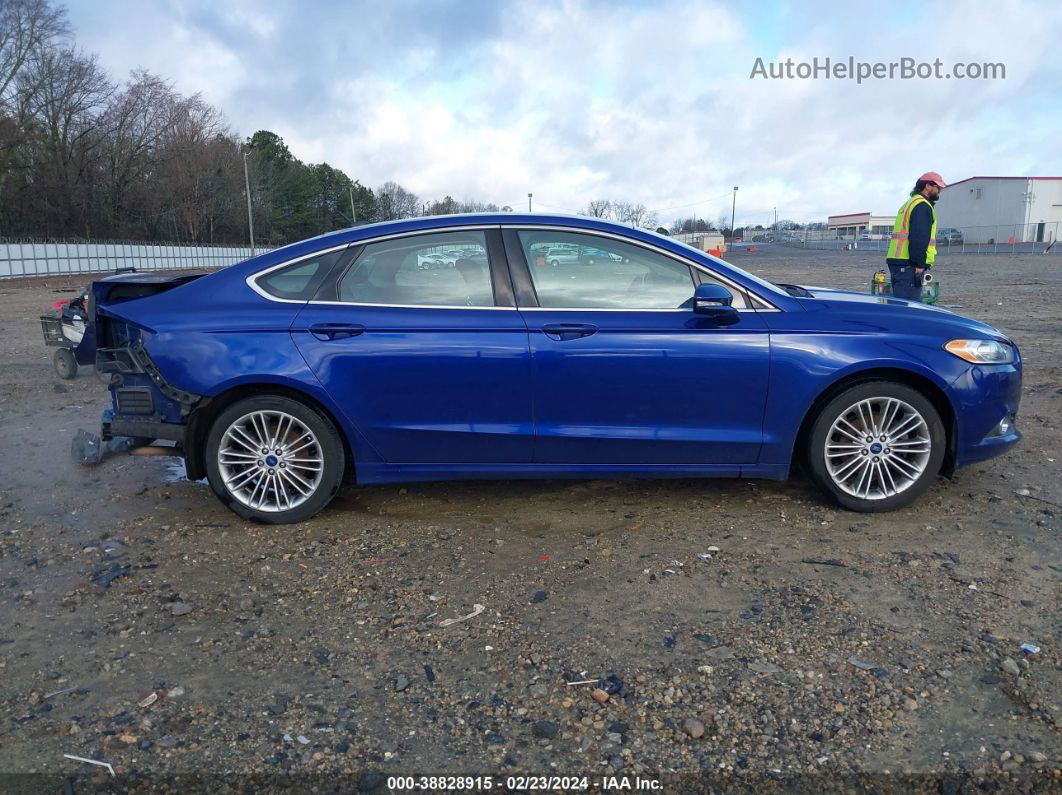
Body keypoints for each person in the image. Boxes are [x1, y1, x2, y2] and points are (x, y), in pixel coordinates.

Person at [885, 171, 946, 301]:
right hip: (909, 265)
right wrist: (919, 265)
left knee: (900, 304)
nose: (939, 190)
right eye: (938, 187)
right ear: (928, 186)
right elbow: (919, 237)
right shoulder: (922, 206)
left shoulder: (909, 203)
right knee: (908, 309)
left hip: (898, 261)